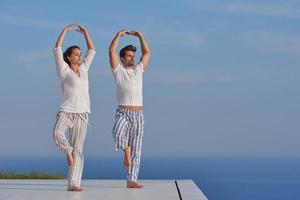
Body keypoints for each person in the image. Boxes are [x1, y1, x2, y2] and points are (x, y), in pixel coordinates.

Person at [52, 23, 96, 192]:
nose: (79, 56)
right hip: (66, 110)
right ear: (69, 57)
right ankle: (67, 150)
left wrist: (85, 33)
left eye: (79, 54)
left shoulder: (84, 69)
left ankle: (73, 184)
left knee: (79, 150)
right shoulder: (64, 70)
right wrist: (64, 31)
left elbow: (92, 51)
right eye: (76, 54)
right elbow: (57, 48)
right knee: (57, 133)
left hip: (83, 113)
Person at [109, 30, 150, 188]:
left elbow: (146, 53)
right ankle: (126, 153)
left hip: (138, 113)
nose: (132, 58)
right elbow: (111, 51)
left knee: (137, 148)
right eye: (129, 56)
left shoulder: (139, 70)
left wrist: (140, 36)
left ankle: (131, 180)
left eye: (133, 56)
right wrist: (118, 35)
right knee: (117, 131)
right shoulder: (118, 71)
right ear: (122, 58)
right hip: (123, 111)